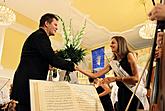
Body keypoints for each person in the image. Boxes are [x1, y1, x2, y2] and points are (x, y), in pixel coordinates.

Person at [10, 13, 75, 111]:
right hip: (27, 85)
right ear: (46, 24)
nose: (57, 28)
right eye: (55, 24)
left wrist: (46, 64)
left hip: (27, 83)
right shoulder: (41, 36)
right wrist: (72, 65)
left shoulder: (38, 36)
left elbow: (39, 59)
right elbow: (53, 59)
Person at [76, 36, 144, 111]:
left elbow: (136, 79)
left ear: (120, 44)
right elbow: (95, 75)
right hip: (121, 94)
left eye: (113, 43)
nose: (110, 45)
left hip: (132, 93)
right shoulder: (113, 62)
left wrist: (115, 78)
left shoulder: (129, 55)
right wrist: (78, 69)